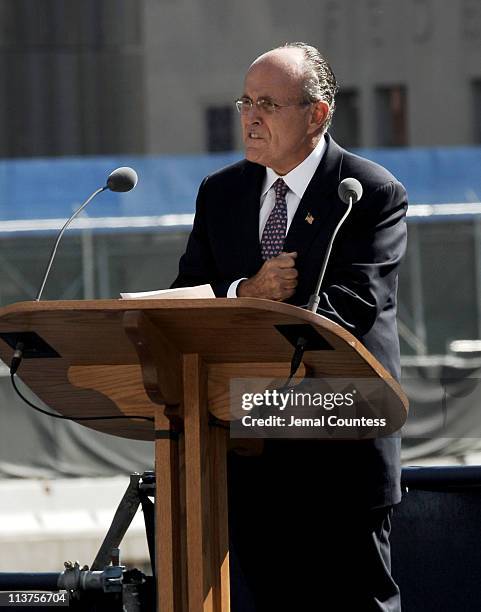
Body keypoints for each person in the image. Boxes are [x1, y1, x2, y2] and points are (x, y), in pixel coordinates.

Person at [172, 42, 407, 611]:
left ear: (316, 114)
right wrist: (246, 293)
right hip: (249, 447)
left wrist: (265, 314)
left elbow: (353, 306)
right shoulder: (221, 192)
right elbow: (185, 298)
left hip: (340, 445)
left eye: (268, 104)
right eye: (245, 101)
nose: (251, 117)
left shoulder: (366, 192)